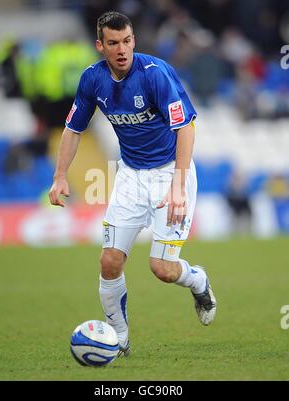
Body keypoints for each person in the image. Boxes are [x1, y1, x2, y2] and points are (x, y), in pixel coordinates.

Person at [49, 11, 216, 356]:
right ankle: (119, 339)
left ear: (133, 40)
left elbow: (185, 127)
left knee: (162, 269)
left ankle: (198, 280)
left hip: (171, 171)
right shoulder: (92, 80)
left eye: (127, 41)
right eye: (113, 43)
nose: (122, 49)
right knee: (109, 261)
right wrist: (61, 175)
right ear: (100, 46)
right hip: (130, 175)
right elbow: (74, 129)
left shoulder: (155, 75)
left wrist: (178, 185)